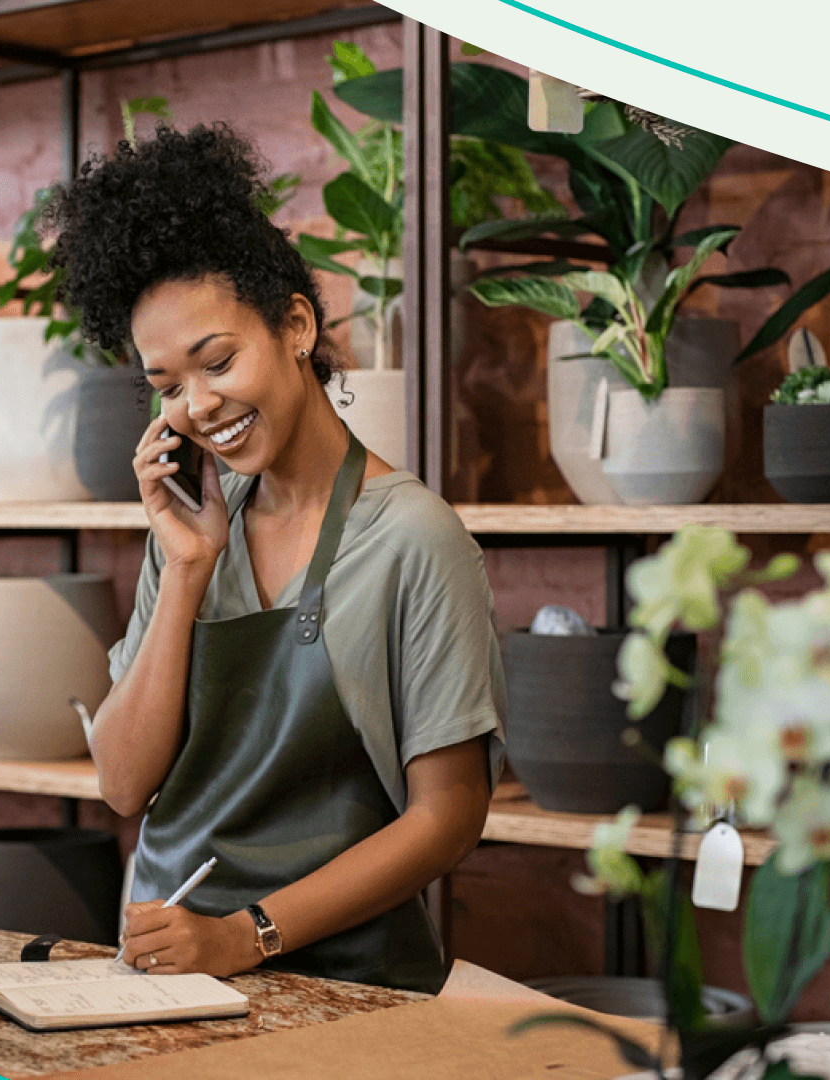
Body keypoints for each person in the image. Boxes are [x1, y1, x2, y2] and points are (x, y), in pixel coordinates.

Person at [45, 123, 507, 995]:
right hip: (169, 974)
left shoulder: (414, 539)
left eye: (217, 361)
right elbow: (121, 781)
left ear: (297, 324)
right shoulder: (188, 529)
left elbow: (450, 817)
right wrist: (185, 570)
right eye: (168, 385)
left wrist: (245, 936)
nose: (199, 406)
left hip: (346, 985)